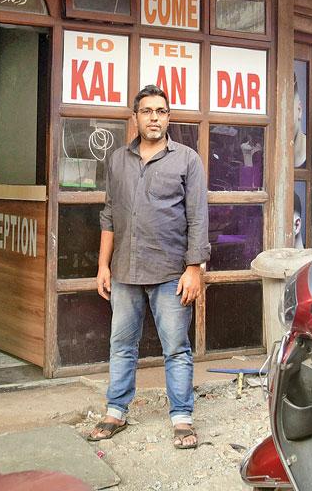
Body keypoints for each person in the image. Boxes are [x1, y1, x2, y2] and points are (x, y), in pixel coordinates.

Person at [90, 85, 209, 450]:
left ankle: (182, 418)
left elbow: (197, 217)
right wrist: (103, 265)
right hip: (125, 268)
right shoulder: (117, 160)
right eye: (147, 111)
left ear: (169, 117)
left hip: (171, 270)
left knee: (176, 347)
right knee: (122, 344)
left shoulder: (187, 159)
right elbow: (109, 214)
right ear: (136, 117)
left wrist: (195, 269)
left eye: (161, 111)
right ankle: (116, 411)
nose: (154, 117)